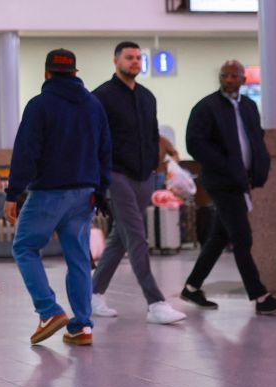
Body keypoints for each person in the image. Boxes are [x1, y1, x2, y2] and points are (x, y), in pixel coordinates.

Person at [5, 49, 112, 346]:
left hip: (48, 193)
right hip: (85, 195)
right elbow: (106, 150)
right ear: (76, 74)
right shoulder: (94, 105)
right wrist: (101, 190)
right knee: (78, 256)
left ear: (46, 74)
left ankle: (48, 310)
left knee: (25, 247)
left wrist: (13, 193)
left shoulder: (40, 105)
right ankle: (81, 326)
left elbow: (26, 153)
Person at [179, 60, 276, 315]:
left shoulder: (249, 106)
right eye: (224, 75)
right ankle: (260, 296)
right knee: (242, 237)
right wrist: (224, 164)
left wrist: (258, 167)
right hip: (221, 181)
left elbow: (255, 138)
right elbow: (194, 143)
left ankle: (193, 287)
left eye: (234, 76)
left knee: (220, 237)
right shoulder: (207, 107)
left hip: (241, 181)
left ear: (243, 80)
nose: (228, 80)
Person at [90, 41, 187, 324]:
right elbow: (97, 139)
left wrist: (162, 165)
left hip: (145, 176)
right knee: (136, 236)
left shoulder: (147, 96)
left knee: (121, 237)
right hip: (116, 175)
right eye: (129, 57)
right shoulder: (102, 97)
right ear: (116, 61)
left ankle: (93, 294)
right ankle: (155, 302)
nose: (135, 62)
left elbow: (152, 135)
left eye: (138, 58)